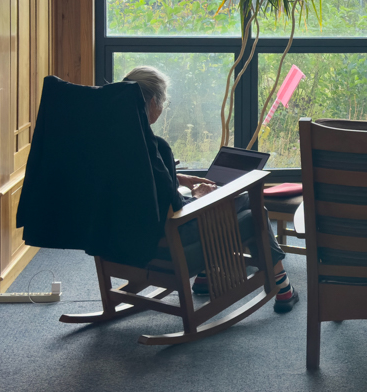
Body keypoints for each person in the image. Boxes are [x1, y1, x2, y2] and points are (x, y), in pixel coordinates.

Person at [122, 66, 299, 313]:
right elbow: (177, 208)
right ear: (153, 102)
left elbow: (144, 182)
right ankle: (282, 287)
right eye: (164, 101)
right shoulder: (156, 147)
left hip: (121, 236)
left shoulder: (115, 145)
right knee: (250, 204)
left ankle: (206, 276)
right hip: (168, 240)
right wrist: (198, 196)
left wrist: (180, 178)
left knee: (236, 205)